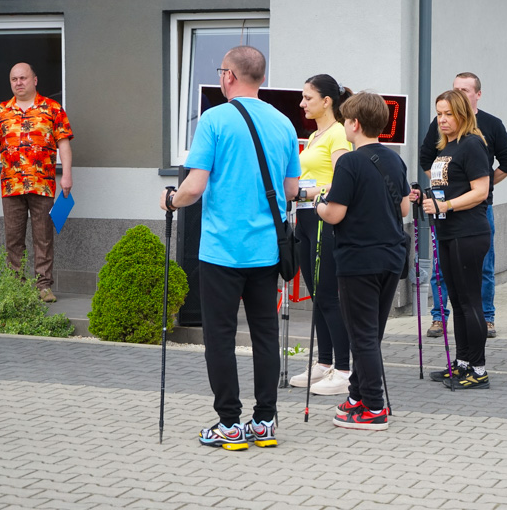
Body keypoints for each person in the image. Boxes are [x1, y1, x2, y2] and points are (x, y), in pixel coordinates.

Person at [160, 46, 300, 450]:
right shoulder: (284, 124)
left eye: (222, 70)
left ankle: (230, 424)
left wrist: (170, 200)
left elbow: (194, 186)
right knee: (265, 335)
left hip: (222, 250)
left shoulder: (214, 120)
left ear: (229, 77)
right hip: (267, 251)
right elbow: (291, 189)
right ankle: (265, 422)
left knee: (220, 336)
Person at [315, 91, 410, 430]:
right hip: (391, 257)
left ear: (354, 124)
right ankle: (357, 394)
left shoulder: (350, 163)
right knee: (371, 333)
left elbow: (335, 214)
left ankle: (373, 407)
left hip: (359, 259)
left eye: (345, 121)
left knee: (362, 336)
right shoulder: (395, 161)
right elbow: (403, 208)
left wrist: (318, 205)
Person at [420, 72, 507, 339]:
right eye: (440, 113)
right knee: (443, 271)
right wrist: (445, 188)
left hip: (472, 216)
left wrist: (477, 186)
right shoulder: (442, 134)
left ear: (477, 95)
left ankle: (487, 318)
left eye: (464, 90)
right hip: (446, 214)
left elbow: (506, 164)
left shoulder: (484, 132)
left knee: (481, 270)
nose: (442, 118)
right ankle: (440, 317)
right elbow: (426, 159)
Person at [410, 89, 491, 389]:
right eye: (439, 114)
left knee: (470, 301)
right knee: (456, 301)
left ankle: (479, 370)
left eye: (448, 114)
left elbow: (480, 191)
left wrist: (445, 205)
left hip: (468, 232)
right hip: (447, 231)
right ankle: (462, 363)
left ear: (462, 114)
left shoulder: (472, 144)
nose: (442, 120)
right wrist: (425, 197)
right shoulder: (447, 147)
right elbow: (448, 187)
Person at [0, 62, 73, 304]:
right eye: (14, 79)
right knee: (13, 238)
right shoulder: (1, 112)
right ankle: (16, 287)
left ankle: (43, 286)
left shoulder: (53, 109)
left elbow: (64, 143)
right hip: (11, 185)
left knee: (43, 237)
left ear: (34, 80)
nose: (18, 82)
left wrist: (66, 175)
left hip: (42, 184)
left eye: (23, 78)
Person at [288, 74, 354, 396]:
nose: (302, 104)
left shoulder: (339, 133)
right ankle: (324, 363)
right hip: (304, 218)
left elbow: (344, 180)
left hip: (323, 220)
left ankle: (343, 369)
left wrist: (309, 191)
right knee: (317, 295)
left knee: (329, 295)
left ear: (327, 101)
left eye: (308, 98)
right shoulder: (315, 136)